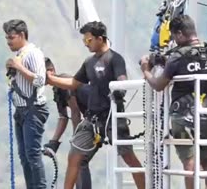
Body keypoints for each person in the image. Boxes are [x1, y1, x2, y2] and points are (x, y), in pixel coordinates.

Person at [46, 21, 145, 189]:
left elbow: (122, 80)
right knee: (74, 156)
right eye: (85, 41)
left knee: (129, 157)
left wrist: (118, 90)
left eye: (89, 40)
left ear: (100, 39)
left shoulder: (114, 58)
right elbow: (73, 83)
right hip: (92, 118)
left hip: (112, 118)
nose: (86, 44)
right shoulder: (89, 62)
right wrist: (50, 79)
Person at [139, 15, 207, 189]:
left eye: (175, 37)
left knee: (189, 163)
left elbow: (158, 85)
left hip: (183, 118)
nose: (174, 42)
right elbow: (192, 63)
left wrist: (146, 70)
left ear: (181, 34)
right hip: (206, 115)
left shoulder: (177, 57)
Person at [3, 19, 49, 189]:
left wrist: (19, 68)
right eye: (7, 38)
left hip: (34, 109)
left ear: (22, 35)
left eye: (11, 38)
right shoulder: (20, 55)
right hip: (21, 110)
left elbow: (40, 80)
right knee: (24, 156)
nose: (8, 42)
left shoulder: (33, 53)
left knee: (32, 154)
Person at [42, 57, 92, 189]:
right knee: (78, 160)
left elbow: (75, 112)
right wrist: (53, 142)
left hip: (96, 115)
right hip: (89, 118)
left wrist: (76, 138)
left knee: (78, 158)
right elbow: (63, 117)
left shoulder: (64, 81)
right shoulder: (57, 89)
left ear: (51, 71)